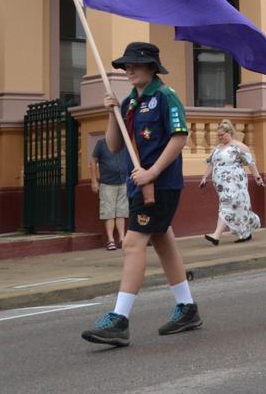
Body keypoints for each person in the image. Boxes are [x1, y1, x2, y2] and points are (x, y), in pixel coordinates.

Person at [82, 42, 200, 347]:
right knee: (163, 242)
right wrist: (112, 113)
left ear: (151, 67)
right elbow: (113, 146)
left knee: (132, 243)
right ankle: (187, 308)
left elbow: (179, 137)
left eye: (135, 64)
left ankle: (119, 320)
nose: (129, 70)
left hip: (160, 185)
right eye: (126, 66)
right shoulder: (130, 103)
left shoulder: (165, 97)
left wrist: (153, 171)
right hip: (138, 184)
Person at [199, 119, 263, 244]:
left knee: (226, 205)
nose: (220, 137)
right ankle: (246, 232)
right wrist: (204, 177)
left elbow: (250, 162)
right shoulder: (218, 148)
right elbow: (212, 163)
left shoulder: (238, 146)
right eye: (218, 135)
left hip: (235, 182)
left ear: (229, 133)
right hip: (221, 185)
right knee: (238, 207)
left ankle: (216, 236)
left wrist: (257, 177)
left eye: (222, 135)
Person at [91, 136, 129, 250]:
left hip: (123, 181)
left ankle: (122, 239)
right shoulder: (101, 143)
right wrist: (94, 180)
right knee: (109, 211)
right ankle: (110, 240)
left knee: (121, 211)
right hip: (107, 183)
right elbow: (93, 160)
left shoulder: (125, 142)